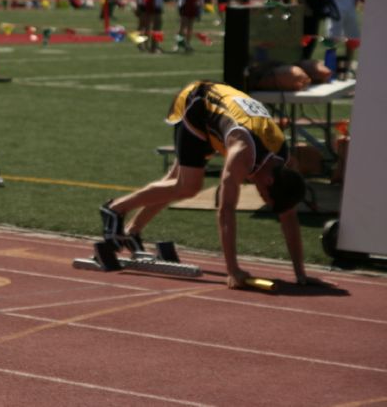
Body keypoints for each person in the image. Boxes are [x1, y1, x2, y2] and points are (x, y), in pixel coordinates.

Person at [99, 80, 331, 288]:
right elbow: (225, 211)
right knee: (189, 186)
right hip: (196, 104)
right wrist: (233, 270)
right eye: (264, 196)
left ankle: (132, 230)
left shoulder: (285, 162)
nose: (261, 197)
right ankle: (115, 208)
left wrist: (301, 274)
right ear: (269, 180)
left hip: (221, 119)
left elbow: (288, 214)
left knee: (174, 182)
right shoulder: (242, 154)